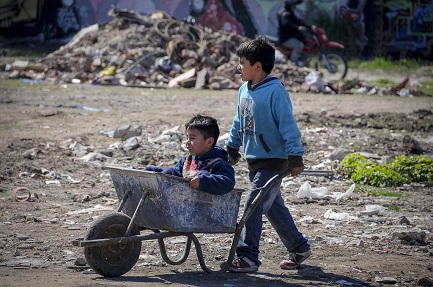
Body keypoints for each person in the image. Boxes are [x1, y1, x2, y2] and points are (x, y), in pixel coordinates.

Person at [225, 36, 311, 273]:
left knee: (253, 205)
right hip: (254, 161)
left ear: (258, 66)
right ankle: (299, 247)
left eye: (242, 62)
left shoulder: (275, 91)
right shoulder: (244, 90)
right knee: (274, 208)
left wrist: (295, 157)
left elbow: (288, 126)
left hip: (274, 161)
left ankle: (248, 256)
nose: (238, 67)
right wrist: (232, 148)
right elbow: (239, 122)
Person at [145, 114, 236, 195]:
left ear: (209, 142)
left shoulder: (218, 162)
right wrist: (150, 170)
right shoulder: (188, 159)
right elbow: (176, 172)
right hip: (185, 200)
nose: (187, 142)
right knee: (168, 172)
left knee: (202, 173)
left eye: (192, 138)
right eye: (187, 137)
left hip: (206, 205)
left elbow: (227, 182)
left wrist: (202, 181)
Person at [277, 0, 311, 66]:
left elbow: (300, 22)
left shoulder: (291, 14)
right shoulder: (284, 14)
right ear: (289, 6)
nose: (295, 7)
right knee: (299, 45)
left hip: (292, 37)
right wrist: (297, 28)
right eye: (293, 5)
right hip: (286, 38)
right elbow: (286, 24)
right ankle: (292, 64)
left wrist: (311, 28)